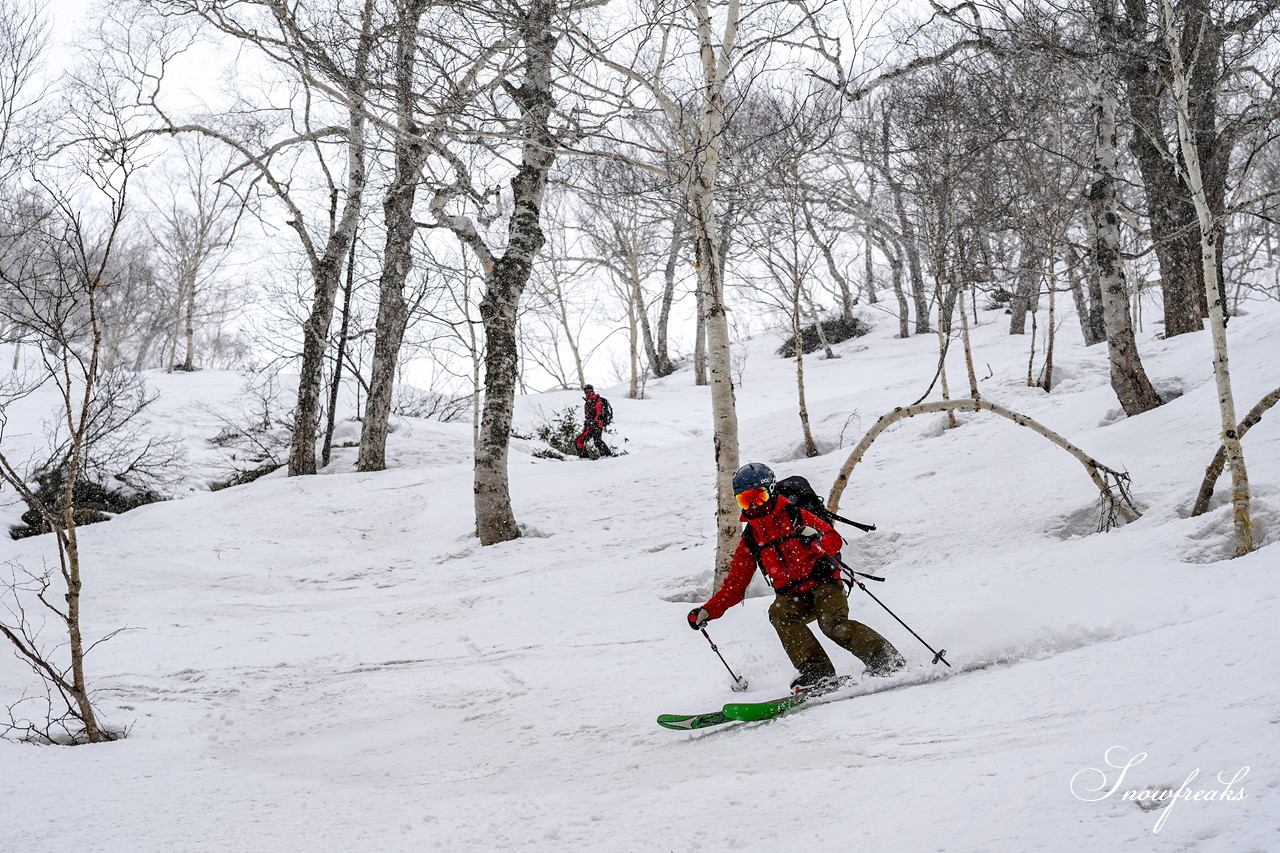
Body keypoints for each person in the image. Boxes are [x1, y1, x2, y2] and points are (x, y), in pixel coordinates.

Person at [687, 462, 905, 691]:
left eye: (758, 496)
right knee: (779, 611)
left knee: (833, 625)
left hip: (824, 585)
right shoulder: (751, 538)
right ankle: (818, 672)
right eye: (745, 499)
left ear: (771, 491)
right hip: (793, 596)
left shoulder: (797, 516)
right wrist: (708, 610)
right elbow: (735, 586)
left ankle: (885, 659)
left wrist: (817, 538)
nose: (753, 505)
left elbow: (834, 540)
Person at [575, 384, 612, 459]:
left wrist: (594, 422)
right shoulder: (588, 402)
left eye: (590, 390)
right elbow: (588, 416)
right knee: (593, 441)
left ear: (593, 391)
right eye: (586, 391)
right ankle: (605, 455)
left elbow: (598, 412)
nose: (588, 392)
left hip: (596, 425)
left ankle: (606, 456)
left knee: (583, 440)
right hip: (591, 425)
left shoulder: (596, 400)